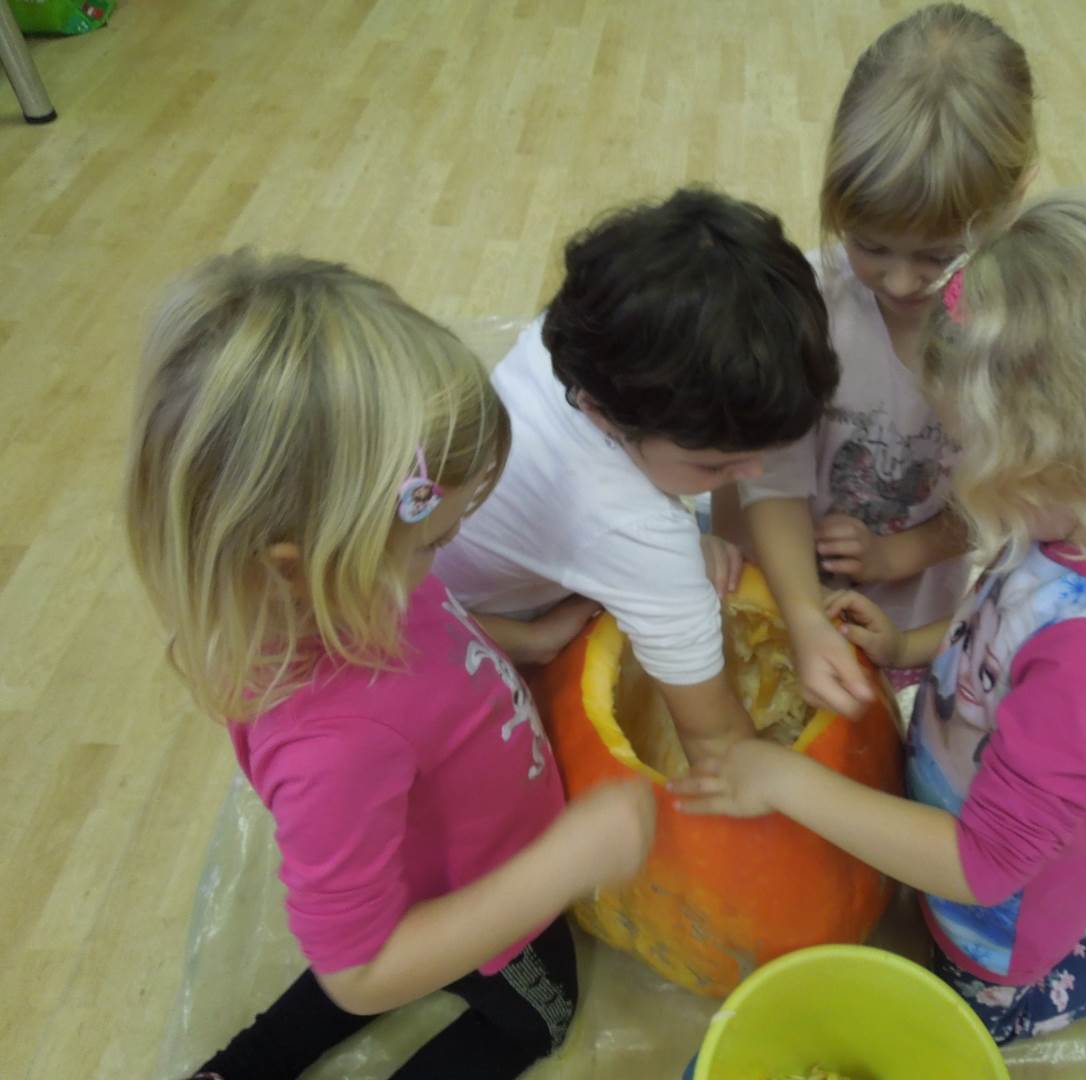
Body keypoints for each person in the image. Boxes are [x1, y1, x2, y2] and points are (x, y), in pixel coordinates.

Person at [675, 191, 1086, 1042]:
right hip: (1009, 819)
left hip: (1003, 918)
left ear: (1060, 450)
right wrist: (912, 643)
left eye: (970, 446)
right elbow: (1005, 634)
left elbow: (984, 864)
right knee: (1069, 838)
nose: (958, 469)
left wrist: (784, 780)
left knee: (983, 1012)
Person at [124, 252, 655, 1078]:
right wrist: (567, 862)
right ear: (298, 565)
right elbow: (362, 969)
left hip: (455, 853)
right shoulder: (335, 744)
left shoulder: (349, 589)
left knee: (363, 941)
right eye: (433, 542)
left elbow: (432, 627)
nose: (444, 556)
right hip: (474, 890)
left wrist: (524, 642)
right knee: (533, 1020)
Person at [435, 187, 839, 766]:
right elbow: (718, 745)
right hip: (440, 642)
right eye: (715, 465)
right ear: (601, 411)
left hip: (435, 595)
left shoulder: (586, 334)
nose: (753, 474)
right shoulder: (636, 535)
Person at [729, 4, 1038, 712]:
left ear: (1013, 199)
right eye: (871, 246)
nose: (901, 282)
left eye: (938, 256)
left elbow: (1010, 489)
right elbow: (769, 478)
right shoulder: (811, 307)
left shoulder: (1020, 336)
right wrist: (803, 613)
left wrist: (902, 553)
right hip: (784, 575)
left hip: (914, 603)